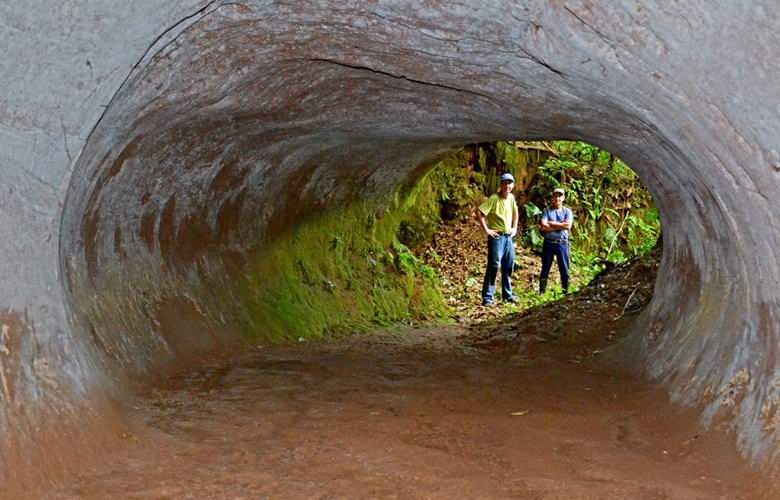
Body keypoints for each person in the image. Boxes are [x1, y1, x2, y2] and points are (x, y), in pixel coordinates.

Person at [477, 172, 519, 306]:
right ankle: (488, 297)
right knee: (494, 265)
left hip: (508, 238)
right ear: (501, 184)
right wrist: (487, 230)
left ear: (513, 185)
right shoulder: (494, 198)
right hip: (497, 237)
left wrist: (515, 227)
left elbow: (515, 213)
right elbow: (480, 212)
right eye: (505, 183)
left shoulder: (511, 198)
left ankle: (507, 295)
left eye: (510, 183)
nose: (507, 185)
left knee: (508, 265)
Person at [538, 187, 574, 294]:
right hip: (548, 243)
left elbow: (568, 226)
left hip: (562, 243)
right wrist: (561, 225)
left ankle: (565, 292)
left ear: (563, 198)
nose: (557, 198)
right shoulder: (546, 211)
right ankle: (542, 292)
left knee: (564, 269)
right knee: (545, 268)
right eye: (556, 196)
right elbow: (543, 226)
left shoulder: (567, 211)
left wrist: (551, 223)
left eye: (560, 196)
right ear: (553, 198)